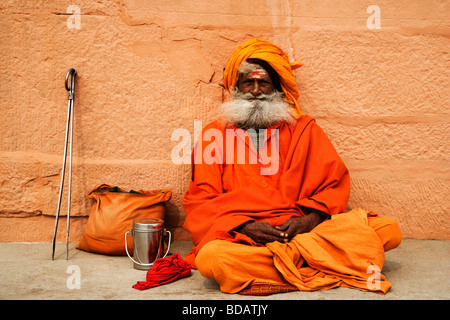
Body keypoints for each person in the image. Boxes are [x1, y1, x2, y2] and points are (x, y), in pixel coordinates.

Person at [182, 38, 402, 295]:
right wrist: (244, 226)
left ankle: (278, 270)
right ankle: (315, 265)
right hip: (243, 238)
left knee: (389, 231)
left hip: (302, 232)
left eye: (263, 82)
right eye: (247, 82)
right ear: (236, 88)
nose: (255, 90)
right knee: (212, 258)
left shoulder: (304, 131)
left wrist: (309, 220)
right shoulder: (213, 135)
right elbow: (201, 201)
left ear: (278, 88)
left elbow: (333, 186)